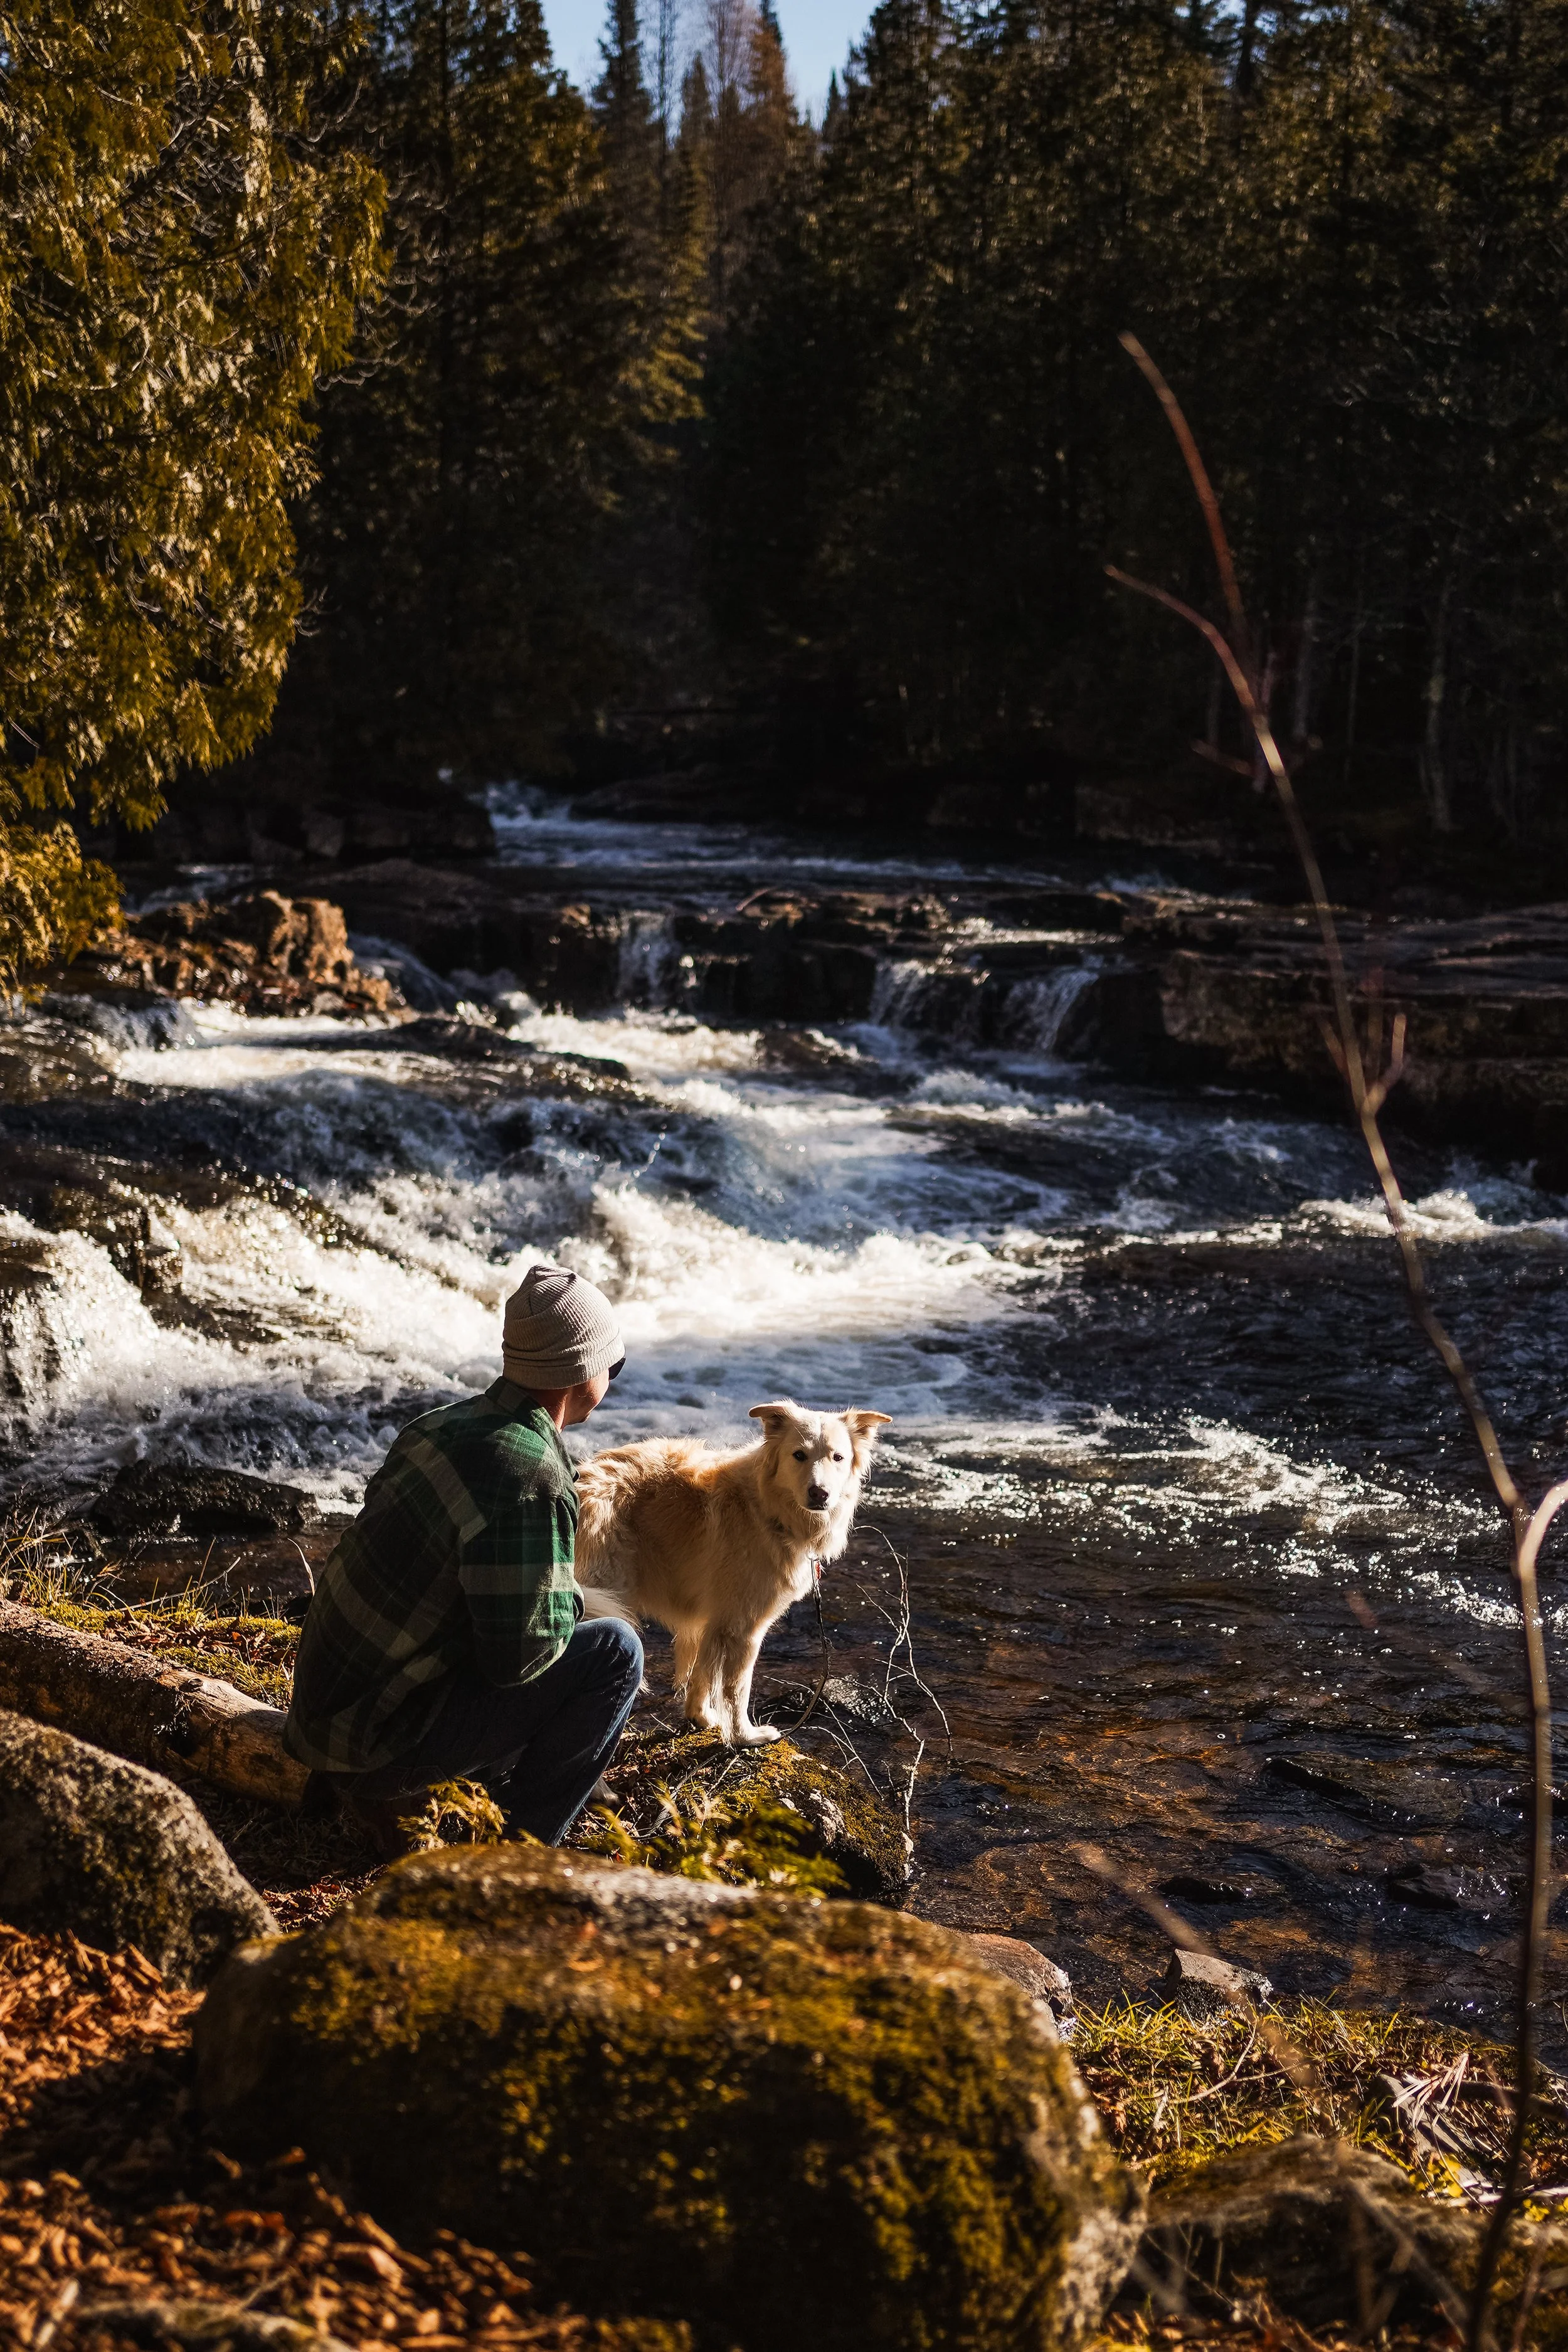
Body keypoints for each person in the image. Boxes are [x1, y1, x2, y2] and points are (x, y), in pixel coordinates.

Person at [283, 1264, 641, 1860]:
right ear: (581, 1370)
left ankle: (453, 1789)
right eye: (615, 1364)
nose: (613, 1377)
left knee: (554, 1613)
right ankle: (519, 1858)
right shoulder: (532, 1472)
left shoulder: (439, 1426)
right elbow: (516, 1661)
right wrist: (569, 1603)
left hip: (327, 1723)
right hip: (380, 1749)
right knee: (615, 1651)